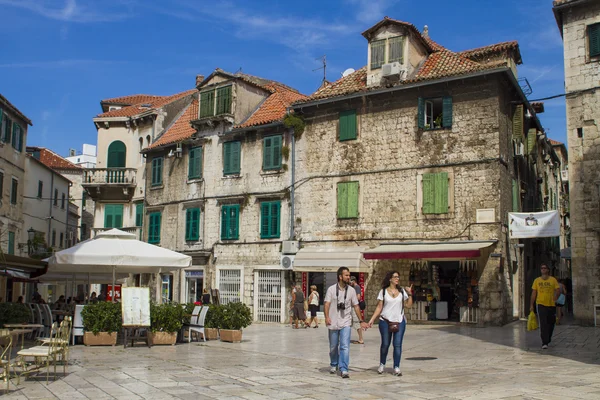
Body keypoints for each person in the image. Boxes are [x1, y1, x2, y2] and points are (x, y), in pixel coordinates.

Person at [324, 267, 369, 378]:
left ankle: (344, 368)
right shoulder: (331, 289)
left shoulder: (352, 291)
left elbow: (356, 306)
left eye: (349, 275)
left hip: (346, 322)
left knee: (345, 346)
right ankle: (334, 364)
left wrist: (361, 320)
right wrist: (326, 317)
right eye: (346, 275)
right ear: (340, 277)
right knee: (333, 346)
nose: (349, 277)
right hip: (333, 321)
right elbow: (326, 304)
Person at [368, 271, 413, 376]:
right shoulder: (383, 291)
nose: (397, 279)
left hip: (399, 321)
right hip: (385, 321)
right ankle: (382, 364)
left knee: (397, 344)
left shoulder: (402, 291)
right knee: (385, 344)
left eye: (398, 277)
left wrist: (410, 294)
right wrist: (372, 319)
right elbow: (379, 307)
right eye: (395, 277)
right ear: (390, 279)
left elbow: (408, 305)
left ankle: (396, 366)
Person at [530, 264, 560, 349]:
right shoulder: (537, 281)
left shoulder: (553, 280)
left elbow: (558, 290)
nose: (543, 269)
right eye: (542, 268)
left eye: (544, 268)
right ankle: (544, 342)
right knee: (543, 323)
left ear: (548, 270)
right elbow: (534, 293)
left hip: (551, 304)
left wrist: (556, 297)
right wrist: (531, 305)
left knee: (551, 323)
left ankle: (548, 338)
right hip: (540, 304)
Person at [349, 276, 364, 344]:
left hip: (354, 307)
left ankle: (361, 339)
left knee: (356, 322)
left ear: (353, 281)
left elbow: (358, 297)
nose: (349, 283)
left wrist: (351, 298)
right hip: (352, 307)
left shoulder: (357, 287)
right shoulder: (353, 287)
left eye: (350, 281)